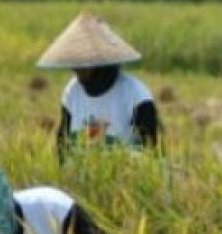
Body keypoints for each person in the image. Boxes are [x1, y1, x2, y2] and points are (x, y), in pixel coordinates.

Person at [36, 12, 160, 162]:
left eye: (83, 66)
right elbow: (63, 143)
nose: (76, 70)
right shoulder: (72, 91)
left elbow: (151, 150)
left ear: (102, 65)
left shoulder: (136, 95)